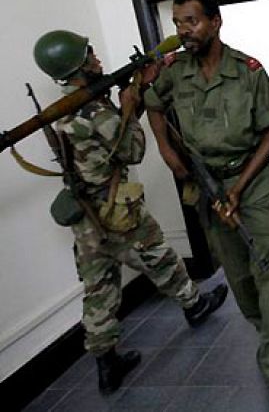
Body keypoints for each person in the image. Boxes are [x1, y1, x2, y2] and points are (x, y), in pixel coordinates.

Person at [33, 30, 228, 395]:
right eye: (90, 55)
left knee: (99, 289)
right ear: (77, 66)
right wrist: (127, 105)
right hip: (114, 210)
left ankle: (106, 363)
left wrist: (133, 93)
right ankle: (195, 305)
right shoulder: (93, 110)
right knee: (160, 256)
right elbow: (133, 148)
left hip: (85, 217)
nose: (97, 59)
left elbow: (112, 134)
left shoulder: (68, 108)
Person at [143, 0, 269, 411]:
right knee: (242, 283)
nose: (183, 31)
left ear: (215, 22)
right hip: (208, 189)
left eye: (191, 22)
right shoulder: (174, 71)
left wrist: (239, 185)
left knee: (268, 275)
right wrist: (167, 151)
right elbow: (151, 103)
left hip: (254, 186)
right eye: (177, 24)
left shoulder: (249, 71)